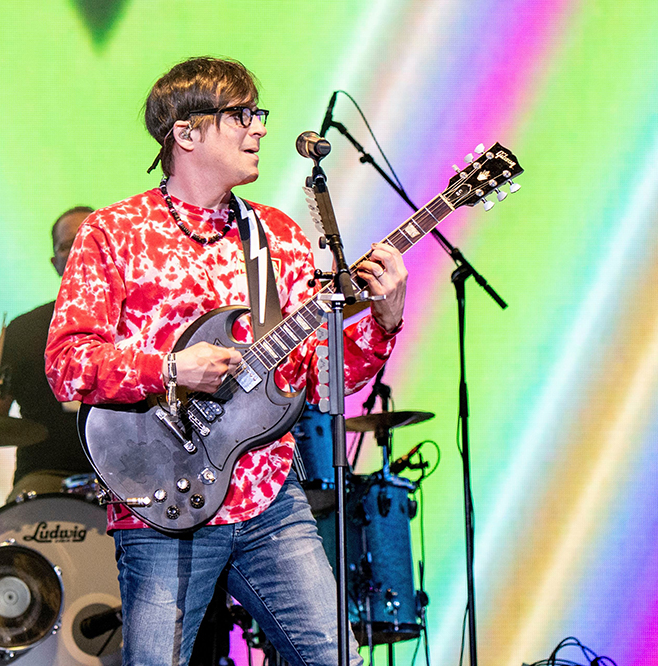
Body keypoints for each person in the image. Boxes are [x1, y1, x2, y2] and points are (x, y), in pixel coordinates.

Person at [45, 57, 408, 666]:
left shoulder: (279, 237)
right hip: (163, 502)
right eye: (241, 115)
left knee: (336, 659)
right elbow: (68, 363)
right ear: (186, 134)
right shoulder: (115, 233)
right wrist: (170, 369)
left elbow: (323, 382)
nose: (259, 128)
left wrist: (384, 319)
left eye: (257, 114)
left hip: (269, 497)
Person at [0, 206, 96, 500]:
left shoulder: (140, 323)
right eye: (66, 245)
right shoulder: (23, 330)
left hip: (124, 478)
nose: (77, 251)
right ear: (55, 262)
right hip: (43, 476)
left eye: (89, 239)